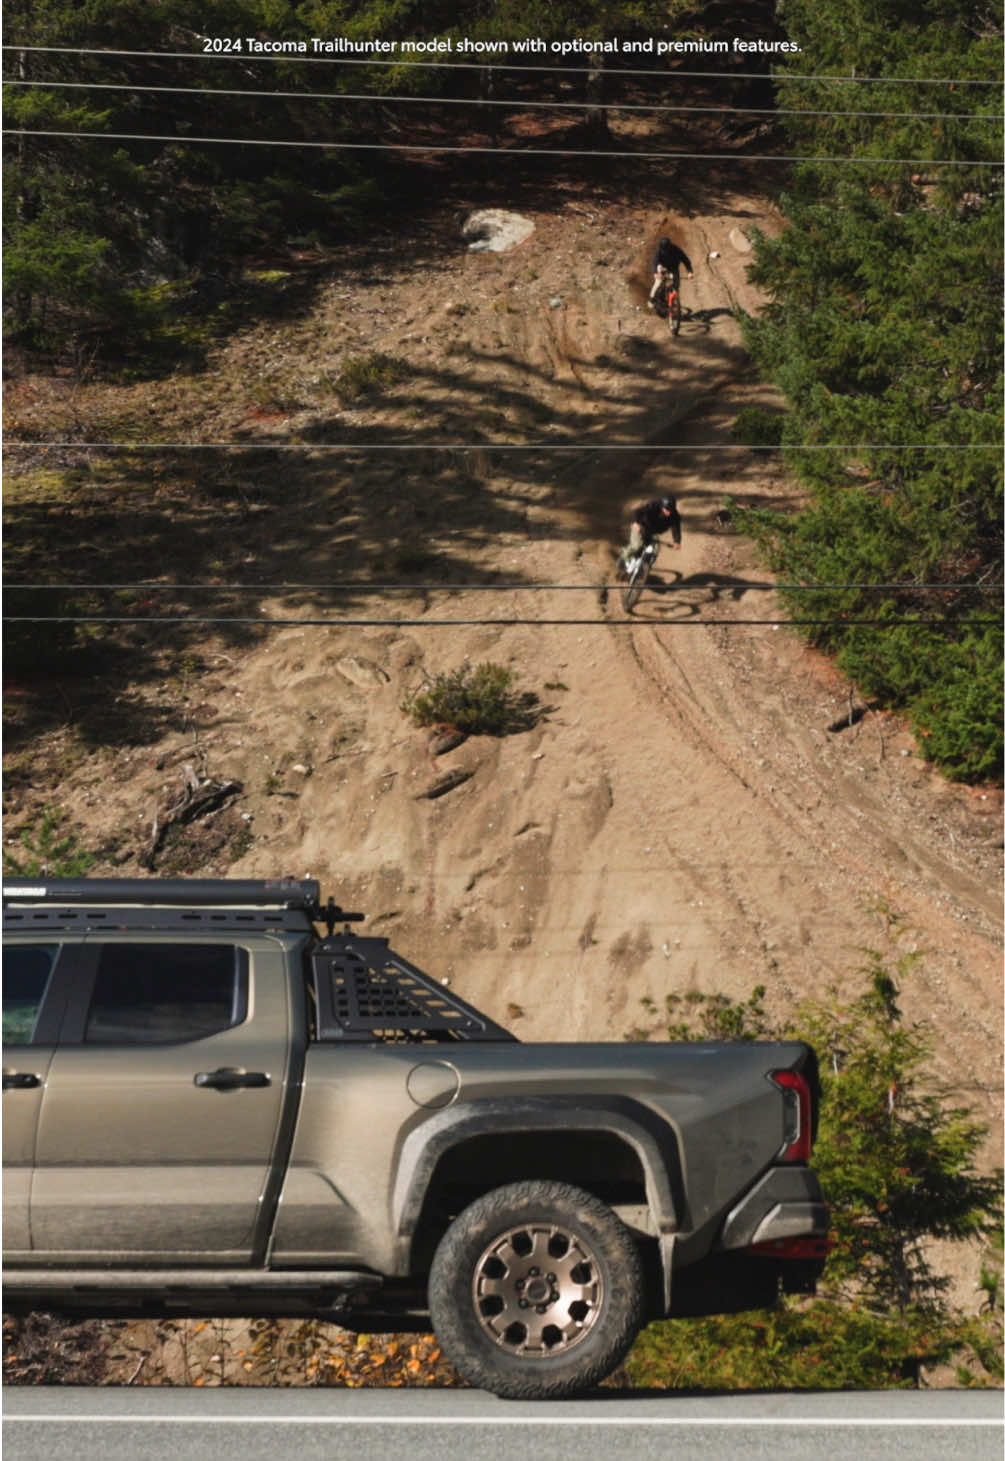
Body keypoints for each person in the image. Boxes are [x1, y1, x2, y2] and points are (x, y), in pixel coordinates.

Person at [621, 495, 682, 570]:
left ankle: (645, 569)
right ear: (662, 506)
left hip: (652, 532)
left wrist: (677, 541)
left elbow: (676, 528)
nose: (669, 513)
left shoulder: (674, 516)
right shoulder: (653, 506)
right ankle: (624, 558)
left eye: (671, 510)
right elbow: (639, 511)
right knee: (637, 545)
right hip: (641, 527)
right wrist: (636, 522)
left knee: (655, 550)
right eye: (667, 509)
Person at [649, 236, 694, 305]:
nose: (664, 251)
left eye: (666, 249)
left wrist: (689, 271)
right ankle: (652, 298)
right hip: (662, 267)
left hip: (673, 268)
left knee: (676, 285)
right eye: (663, 249)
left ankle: (676, 304)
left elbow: (685, 260)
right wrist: (655, 273)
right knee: (659, 281)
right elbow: (655, 262)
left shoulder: (677, 250)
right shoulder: (659, 251)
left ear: (670, 247)